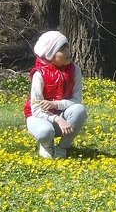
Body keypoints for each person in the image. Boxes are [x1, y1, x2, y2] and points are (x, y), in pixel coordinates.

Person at [24, 31, 88, 159]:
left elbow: (76, 100)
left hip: (63, 117)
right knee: (46, 132)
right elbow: (36, 109)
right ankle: (46, 144)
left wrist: (55, 104)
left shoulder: (75, 70)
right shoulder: (39, 74)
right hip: (39, 117)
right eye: (62, 49)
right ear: (50, 55)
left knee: (80, 110)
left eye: (67, 47)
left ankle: (63, 147)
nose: (68, 52)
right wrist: (57, 119)